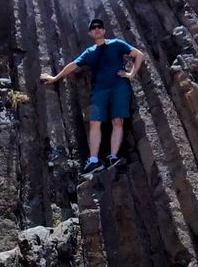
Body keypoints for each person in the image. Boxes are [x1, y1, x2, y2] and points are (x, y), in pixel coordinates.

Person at [41, 18, 145, 176]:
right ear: (90, 33)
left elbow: (139, 55)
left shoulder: (116, 44)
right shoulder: (89, 52)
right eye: (93, 28)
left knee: (117, 120)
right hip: (99, 90)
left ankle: (113, 156)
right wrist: (55, 78)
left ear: (104, 30)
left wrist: (131, 74)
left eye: (99, 27)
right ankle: (94, 160)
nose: (97, 29)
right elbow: (72, 65)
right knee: (94, 122)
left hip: (119, 87)